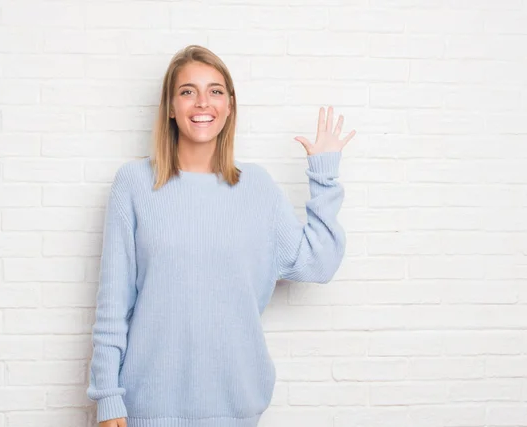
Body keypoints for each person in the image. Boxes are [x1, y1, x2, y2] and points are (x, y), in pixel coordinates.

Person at [86, 44, 356, 427]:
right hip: (144, 409)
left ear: (229, 106)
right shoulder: (133, 185)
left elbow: (318, 263)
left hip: (235, 408)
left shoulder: (257, 188)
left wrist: (324, 178)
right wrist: (107, 398)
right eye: (187, 91)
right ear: (169, 107)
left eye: (215, 91)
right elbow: (113, 307)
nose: (202, 102)